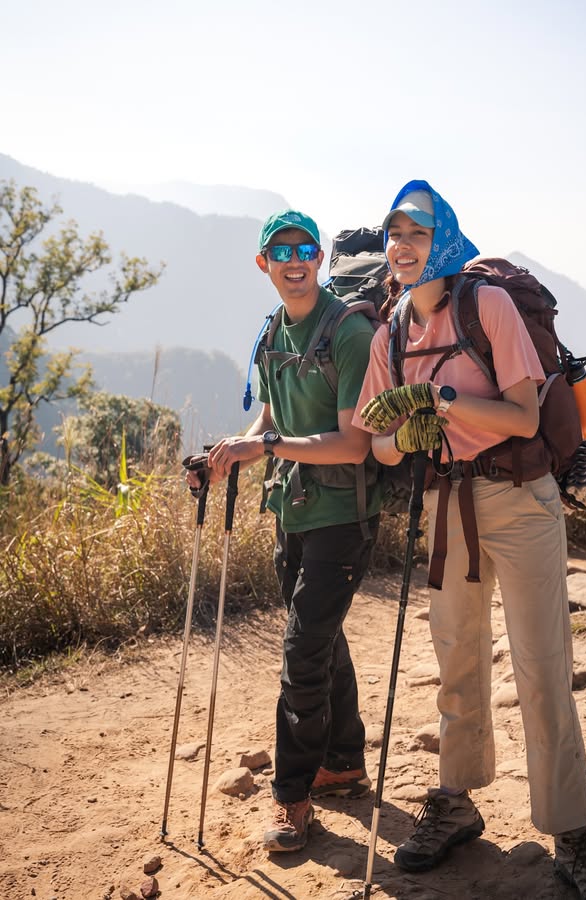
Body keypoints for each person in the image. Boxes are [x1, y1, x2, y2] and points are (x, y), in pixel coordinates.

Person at [353, 180, 586, 900]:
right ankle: (457, 799)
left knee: (542, 667)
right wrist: (401, 436)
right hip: (447, 503)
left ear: (442, 238)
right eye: (393, 234)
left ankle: (571, 832)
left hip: (519, 498)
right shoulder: (393, 331)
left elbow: (522, 418)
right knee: (456, 663)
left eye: (416, 232)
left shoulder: (489, 306)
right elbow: (377, 442)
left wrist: (438, 402)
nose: (402, 246)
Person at [187, 209, 382, 854]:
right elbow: (271, 419)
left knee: (303, 653)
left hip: (342, 517)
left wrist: (266, 446)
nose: (295, 259)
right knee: (322, 638)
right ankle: (344, 760)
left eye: (306, 249)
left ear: (321, 258)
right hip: (293, 510)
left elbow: (354, 445)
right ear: (263, 262)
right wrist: (226, 455)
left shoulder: (348, 333)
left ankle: (293, 798)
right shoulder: (275, 330)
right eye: (281, 249)